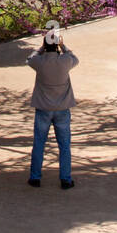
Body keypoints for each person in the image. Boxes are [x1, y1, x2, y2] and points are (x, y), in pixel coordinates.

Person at [27, 28, 78, 189]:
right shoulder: (65, 61)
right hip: (62, 108)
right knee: (64, 145)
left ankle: (35, 177)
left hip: (43, 108)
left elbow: (30, 58)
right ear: (57, 45)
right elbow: (75, 58)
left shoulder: (40, 63)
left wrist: (41, 47)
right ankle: (66, 179)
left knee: (39, 143)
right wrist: (63, 46)